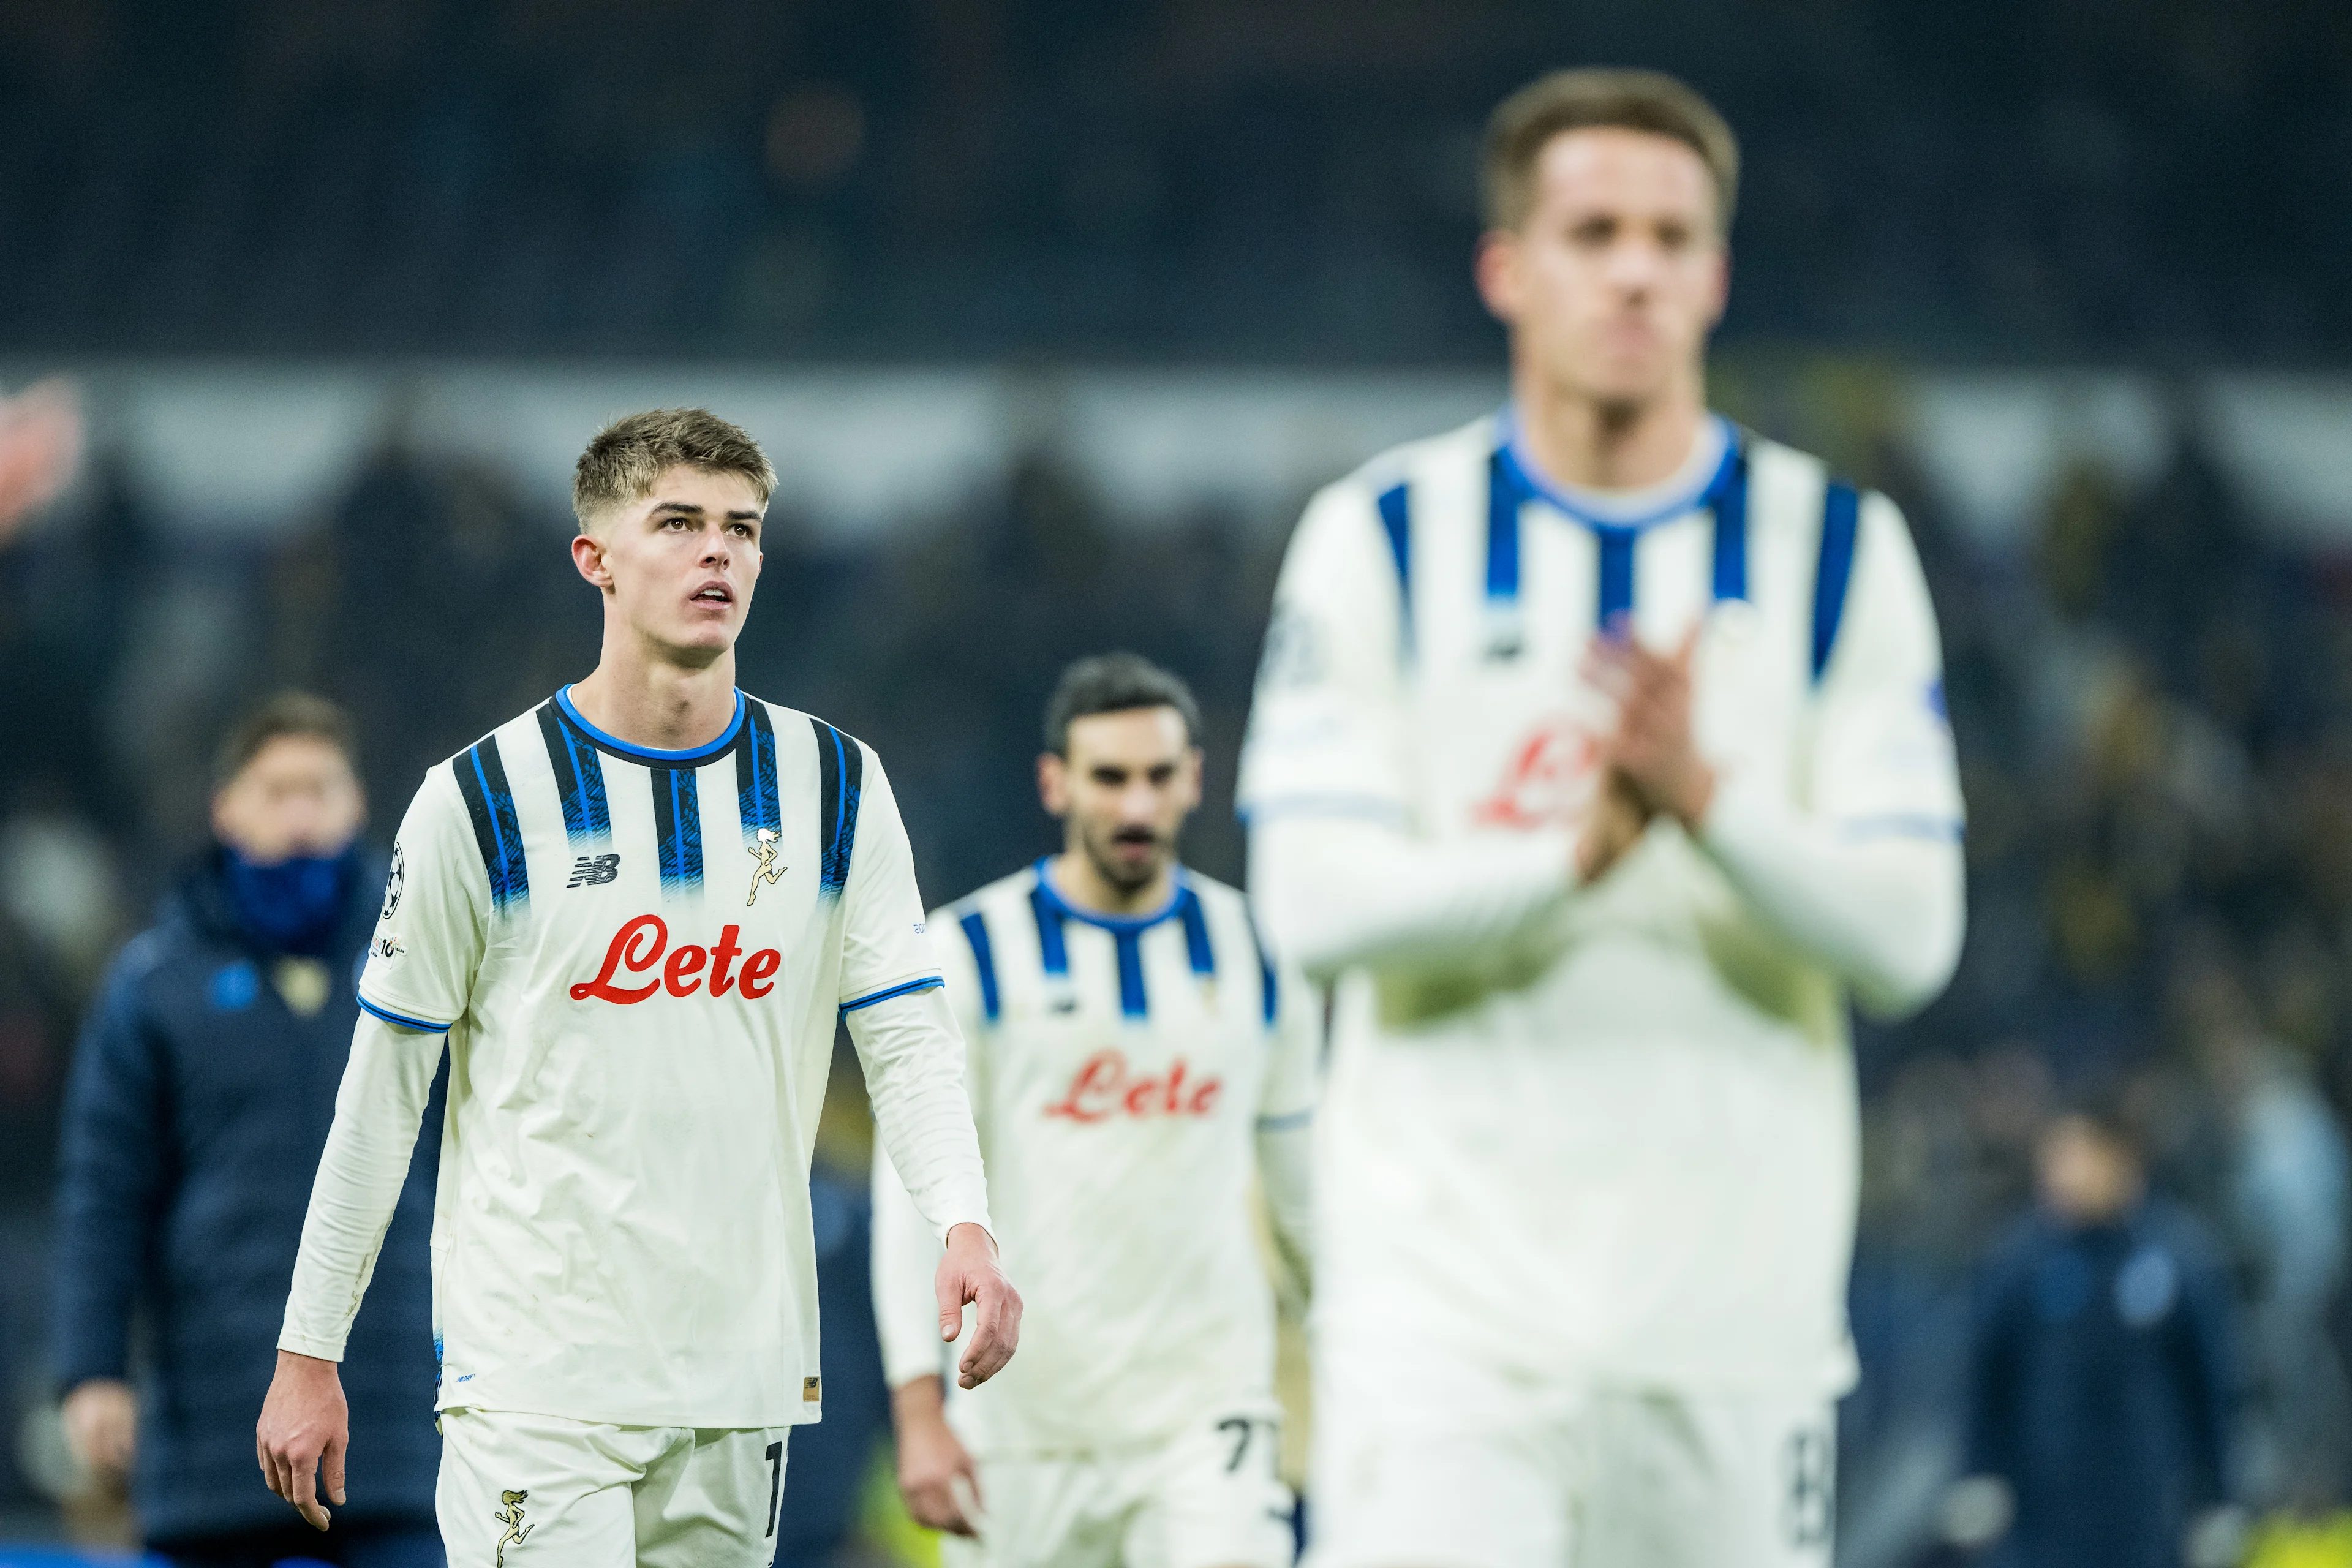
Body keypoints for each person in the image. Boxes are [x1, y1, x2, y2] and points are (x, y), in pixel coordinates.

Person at [1237, 69, 1967, 1568]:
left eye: (1667, 233)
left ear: (1712, 273)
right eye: (1589, 230)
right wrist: (1571, 856)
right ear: (1506, 266)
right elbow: (1307, 902)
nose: (1631, 266)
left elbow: (1908, 937)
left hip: (1736, 1339)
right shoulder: (1377, 537)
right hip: (1445, 1336)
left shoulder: (1838, 552)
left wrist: (1702, 797)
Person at [255, 408, 1022, 1565]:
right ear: (595, 559)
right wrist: (310, 1351)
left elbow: (907, 1039)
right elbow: (382, 1095)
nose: (718, 552)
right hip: (537, 1378)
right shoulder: (481, 800)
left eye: (742, 529)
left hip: (743, 1373)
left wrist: (963, 1217)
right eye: (677, 523)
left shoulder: (836, 784)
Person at [872, 653, 1317, 1568]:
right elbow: (908, 1200)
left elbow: (1307, 1199)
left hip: (1207, 1420)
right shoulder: (969, 952)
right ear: (1056, 783)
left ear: (1196, 777)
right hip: (1023, 1424)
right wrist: (919, 1412)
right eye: (1109, 778)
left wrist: (1355, 1368)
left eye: (1159, 776)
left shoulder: (1264, 955)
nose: (1137, 806)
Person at [54, 693, 444, 1567]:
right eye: (276, 791)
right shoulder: (154, 983)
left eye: (320, 788)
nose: (300, 813)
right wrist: (92, 1372)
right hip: (213, 1432)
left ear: (356, 805)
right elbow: (105, 1195)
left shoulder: (427, 957)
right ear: (227, 807)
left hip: (401, 1425)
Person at [1956, 1107, 2240, 1568]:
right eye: (2051, 1158)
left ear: (2121, 1157)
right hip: (2043, 1506)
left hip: (2144, 1506)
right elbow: (1987, 1374)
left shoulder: (2174, 1253)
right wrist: (1977, 1473)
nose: (2058, 1174)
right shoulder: (2020, 1258)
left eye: (2074, 1156)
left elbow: (2208, 1381)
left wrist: (2219, 1496)